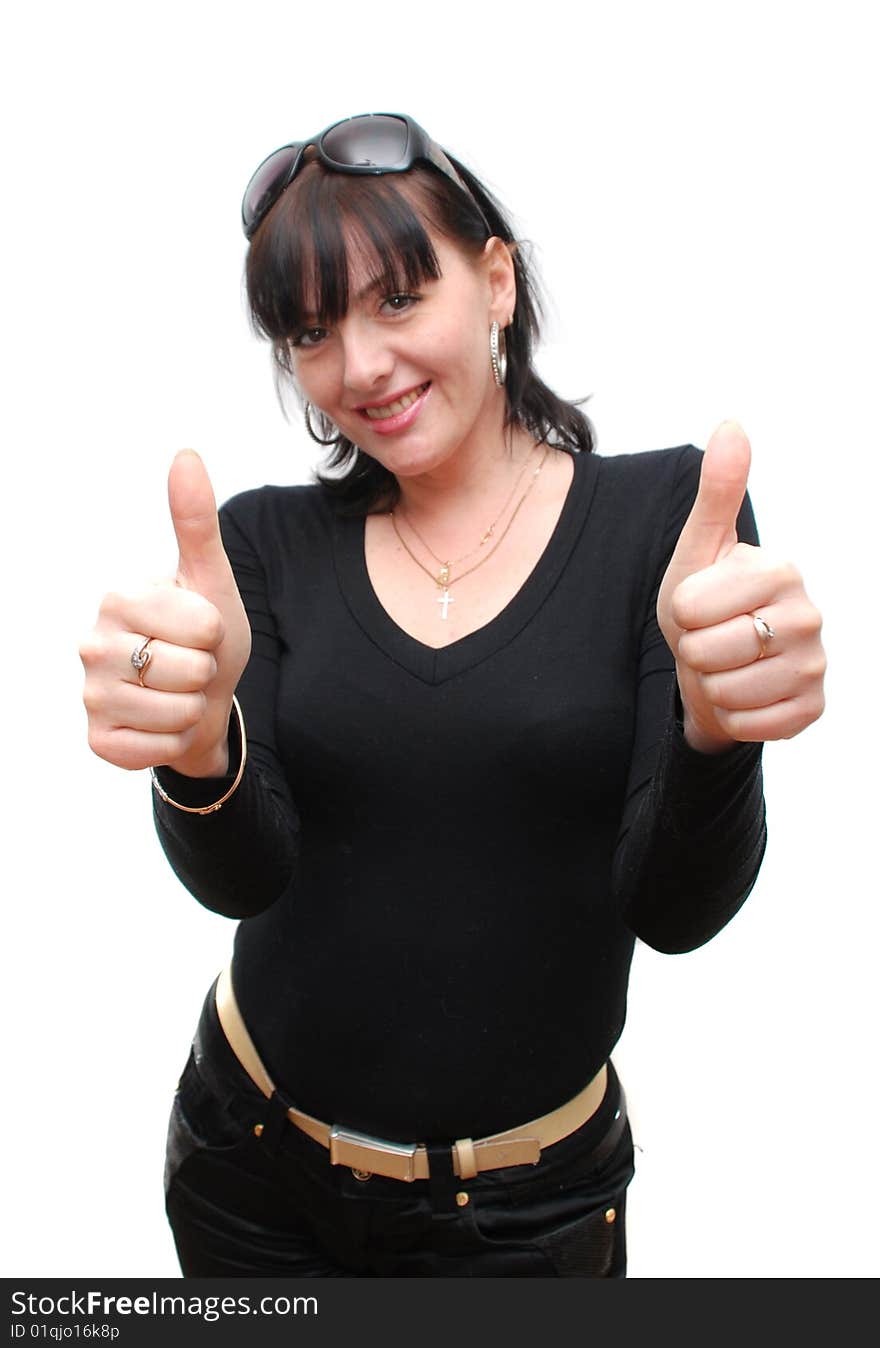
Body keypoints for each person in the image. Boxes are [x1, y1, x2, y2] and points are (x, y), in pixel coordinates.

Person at [80, 112, 826, 1277]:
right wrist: (196, 754)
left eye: (395, 300)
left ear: (494, 281)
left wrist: (714, 735)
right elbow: (247, 874)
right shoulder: (262, 546)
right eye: (312, 331)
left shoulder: (665, 527)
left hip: (528, 1217)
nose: (359, 368)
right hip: (251, 1171)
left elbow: (675, 911)